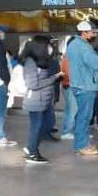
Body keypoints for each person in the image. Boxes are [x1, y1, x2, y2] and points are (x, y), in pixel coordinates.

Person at [20, 35, 62, 164]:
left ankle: (31, 148)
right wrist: (53, 78)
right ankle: (32, 153)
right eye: (48, 45)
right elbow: (33, 84)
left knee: (46, 124)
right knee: (36, 127)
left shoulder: (40, 61)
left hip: (43, 100)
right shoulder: (30, 62)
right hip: (35, 100)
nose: (50, 47)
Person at [66, 21, 98, 156]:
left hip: (77, 84)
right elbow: (96, 64)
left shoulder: (72, 44)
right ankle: (82, 146)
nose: (94, 34)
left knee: (81, 116)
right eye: (92, 32)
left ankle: (81, 144)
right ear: (84, 33)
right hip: (86, 85)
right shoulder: (85, 47)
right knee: (84, 117)